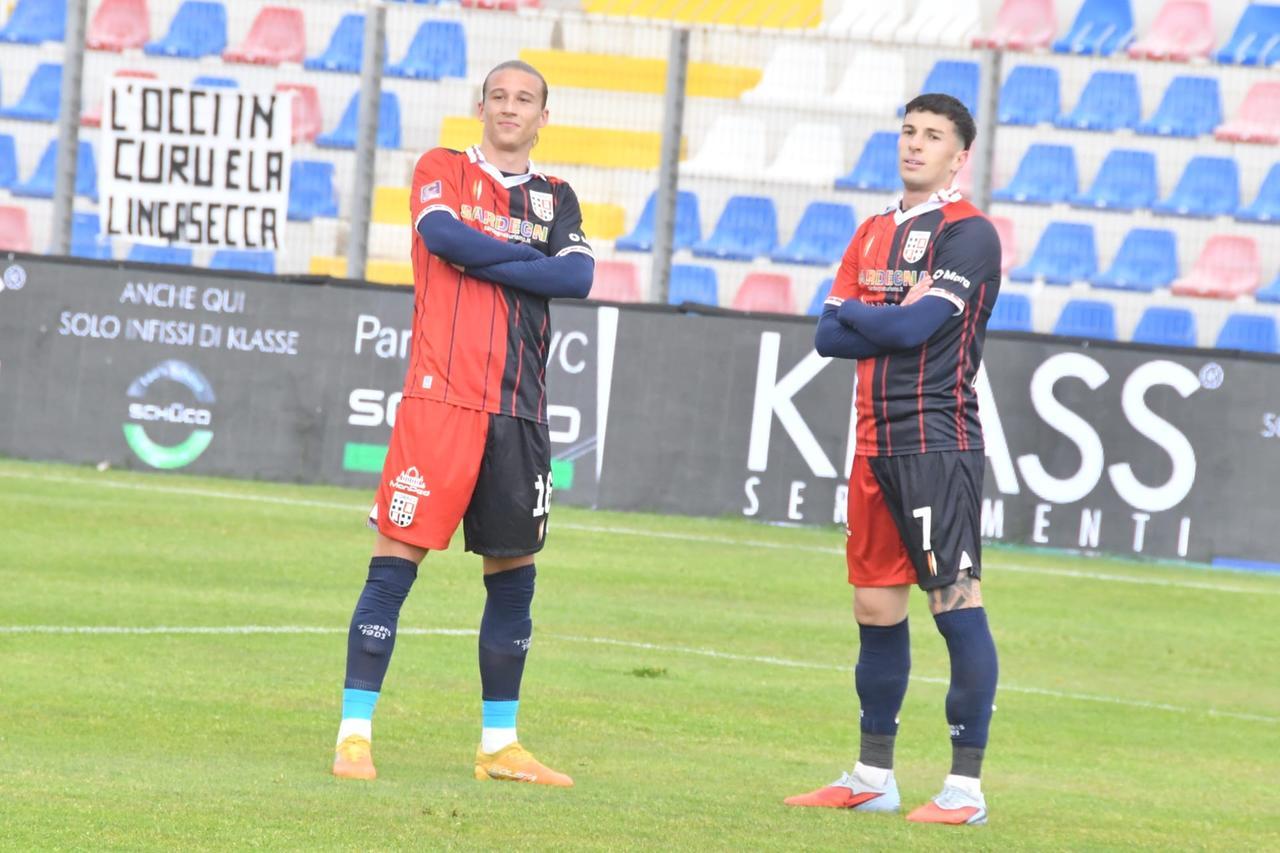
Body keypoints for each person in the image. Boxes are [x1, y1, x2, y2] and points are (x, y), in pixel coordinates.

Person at [330, 60, 594, 788]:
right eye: (500, 96)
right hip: (439, 404)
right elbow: (444, 236)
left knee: (514, 579)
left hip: (519, 409)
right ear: (480, 105)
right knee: (393, 567)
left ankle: (500, 746)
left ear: (544, 116)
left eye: (526, 99)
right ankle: (354, 735)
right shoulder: (442, 167)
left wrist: (491, 258)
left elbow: (576, 278)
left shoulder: (557, 196)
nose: (511, 108)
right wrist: (525, 258)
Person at [784, 93, 1002, 826]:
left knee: (954, 604)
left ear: (958, 156)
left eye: (933, 136)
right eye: (908, 131)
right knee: (874, 606)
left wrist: (860, 316)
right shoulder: (872, 229)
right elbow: (826, 336)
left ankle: (964, 790)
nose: (915, 144)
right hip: (871, 444)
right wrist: (869, 321)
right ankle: (874, 776)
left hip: (936, 442)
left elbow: (913, 325)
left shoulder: (971, 235)